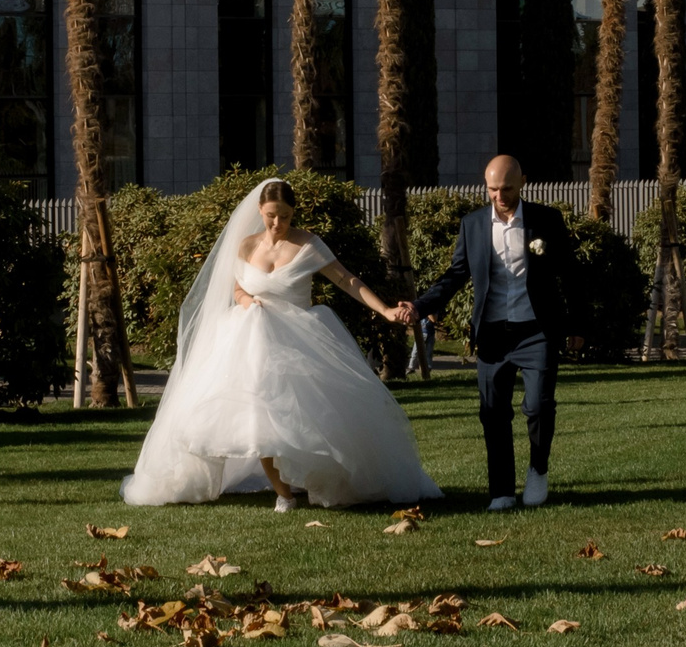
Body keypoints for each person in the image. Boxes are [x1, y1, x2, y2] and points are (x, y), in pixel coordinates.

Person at [122, 179, 441, 510]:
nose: (278, 223)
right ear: (261, 210)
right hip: (249, 340)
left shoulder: (308, 245)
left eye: (285, 217)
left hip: (299, 340)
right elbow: (237, 289)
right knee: (257, 419)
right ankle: (283, 493)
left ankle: (317, 481)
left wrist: (386, 309)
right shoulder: (245, 246)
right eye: (272, 215)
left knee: (312, 420)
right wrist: (247, 301)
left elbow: (347, 280)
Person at [407, 155, 581, 511]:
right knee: (493, 411)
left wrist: (577, 324)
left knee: (539, 406)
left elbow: (571, 274)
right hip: (492, 334)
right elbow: (456, 275)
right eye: (492, 189)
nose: (499, 196)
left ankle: (538, 469)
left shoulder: (546, 221)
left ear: (523, 183)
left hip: (537, 330)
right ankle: (501, 490)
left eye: (507, 188)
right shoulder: (472, 225)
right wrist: (420, 306)